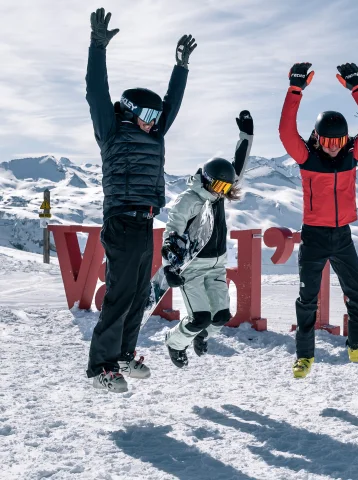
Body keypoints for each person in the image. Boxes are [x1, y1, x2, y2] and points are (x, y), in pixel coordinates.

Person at [85, 7, 196, 392]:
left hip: (145, 220)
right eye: (149, 114)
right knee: (120, 294)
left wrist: (180, 68)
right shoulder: (112, 131)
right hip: (121, 221)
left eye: (157, 114)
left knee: (139, 295)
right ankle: (100, 367)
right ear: (130, 112)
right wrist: (97, 47)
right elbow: (95, 91)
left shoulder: (154, 134)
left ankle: (123, 356)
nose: (156, 119)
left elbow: (173, 104)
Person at [279, 61, 358, 378]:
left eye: (338, 141)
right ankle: (304, 356)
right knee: (307, 299)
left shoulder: (352, 154)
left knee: (357, 293)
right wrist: (295, 89)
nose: (332, 147)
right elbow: (286, 130)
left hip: (342, 236)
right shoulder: (306, 157)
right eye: (326, 141)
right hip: (313, 236)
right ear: (316, 138)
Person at [162, 111, 253, 368]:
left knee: (221, 316)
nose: (221, 193)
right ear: (206, 180)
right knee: (199, 317)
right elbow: (173, 231)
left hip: (216, 266)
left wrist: (246, 135)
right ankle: (175, 342)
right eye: (218, 187)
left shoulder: (218, 194)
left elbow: (239, 166)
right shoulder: (189, 200)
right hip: (192, 268)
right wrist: (169, 265)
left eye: (226, 189)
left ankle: (201, 336)